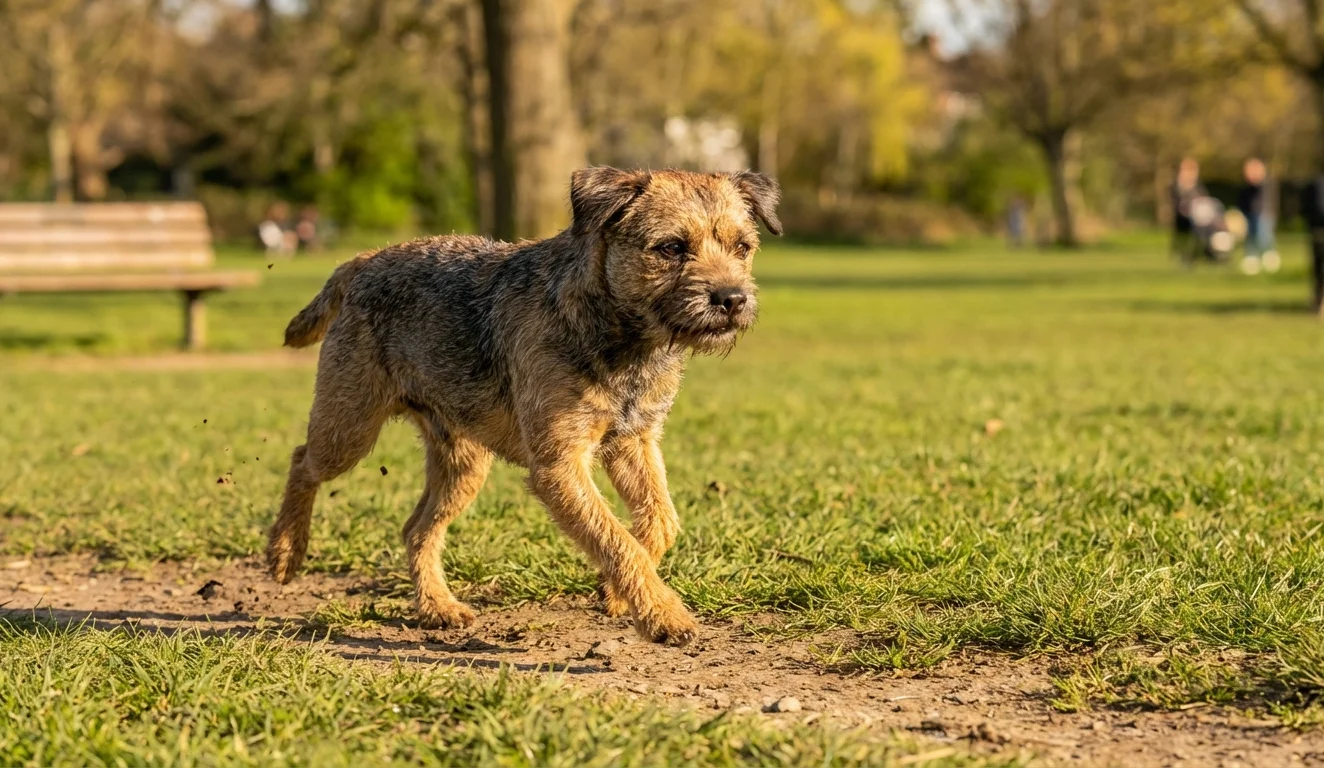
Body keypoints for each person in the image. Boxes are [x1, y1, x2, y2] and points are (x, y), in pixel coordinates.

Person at [1238, 158, 1279, 274]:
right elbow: (1243, 203)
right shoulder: (1246, 189)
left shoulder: (1265, 185)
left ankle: (1269, 257)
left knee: (1263, 234)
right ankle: (1252, 259)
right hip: (1250, 215)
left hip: (1263, 214)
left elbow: (1266, 203)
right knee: (1251, 236)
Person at [1171, 158, 1205, 266]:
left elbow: (1203, 198)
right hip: (1182, 216)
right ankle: (1182, 255)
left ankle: (1195, 255)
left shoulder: (1198, 185)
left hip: (1196, 215)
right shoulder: (1177, 185)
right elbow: (1176, 200)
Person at [1302, 173, 1324, 315]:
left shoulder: (1315, 184)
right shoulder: (1317, 185)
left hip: (1317, 231)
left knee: (1318, 268)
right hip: (1319, 231)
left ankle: (1318, 301)